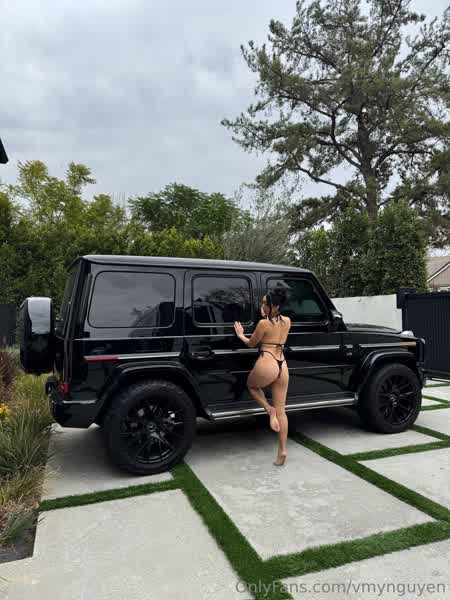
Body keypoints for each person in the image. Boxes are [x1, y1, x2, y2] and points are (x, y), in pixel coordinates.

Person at [234, 287, 291, 466]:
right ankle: (282, 451)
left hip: (267, 362)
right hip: (282, 365)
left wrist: (240, 334)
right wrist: (267, 313)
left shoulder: (263, 324)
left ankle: (268, 409)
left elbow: (251, 343)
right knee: (282, 411)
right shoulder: (288, 321)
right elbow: (276, 329)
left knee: (252, 386)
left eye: (266, 303)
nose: (262, 305)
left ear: (275, 306)